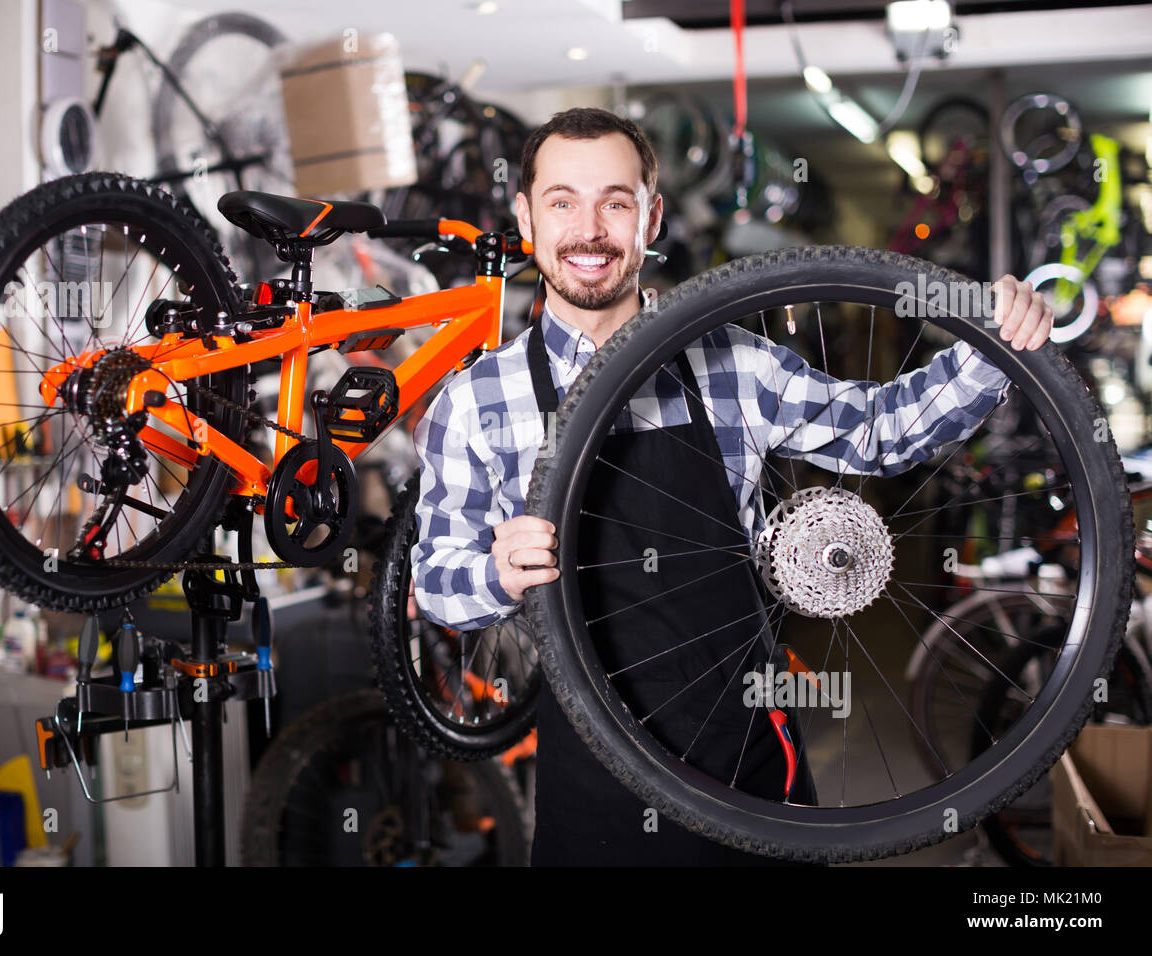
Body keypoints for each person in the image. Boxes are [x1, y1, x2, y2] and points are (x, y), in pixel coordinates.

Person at [408, 107, 1054, 866]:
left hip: (749, 758)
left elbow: (875, 431)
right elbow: (435, 580)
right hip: (594, 780)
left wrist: (990, 349)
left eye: (615, 201)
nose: (590, 230)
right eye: (562, 202)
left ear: (650, 217)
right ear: (526, 217)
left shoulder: (732, 364)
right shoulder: (477, 399)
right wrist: (492, 571)